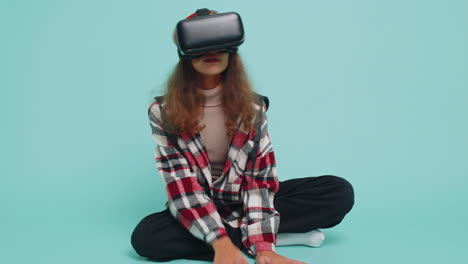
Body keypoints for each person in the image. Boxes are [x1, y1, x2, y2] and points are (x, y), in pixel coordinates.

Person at [131, 9, 355, 264]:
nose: (211, 50)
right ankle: (273, 237)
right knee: (146, 237)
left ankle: (258, 238)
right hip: (199, 206)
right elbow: (181, 186)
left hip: (246, 199)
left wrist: (263, 250)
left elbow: (260, 180)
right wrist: (220, 241)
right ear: (184, 52)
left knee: (337, 192)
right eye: (201, 41)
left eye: (220, 41)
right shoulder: (163, 113)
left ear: (233, 49)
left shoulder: (253, 109)